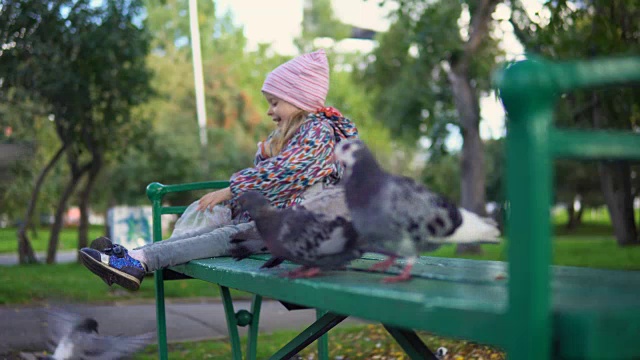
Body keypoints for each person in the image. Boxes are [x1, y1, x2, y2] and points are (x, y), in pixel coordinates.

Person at [79, 49, 359, 291]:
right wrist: (263, 157)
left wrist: (232, 189)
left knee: (225, 236)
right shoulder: (302, 134)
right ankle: (133, 257)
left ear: (300, 100)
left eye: (275, 103)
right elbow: (282, 177)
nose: (269, 112)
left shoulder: (318, 130)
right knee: (217, 232)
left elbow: (289, 170)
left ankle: (139, 261)